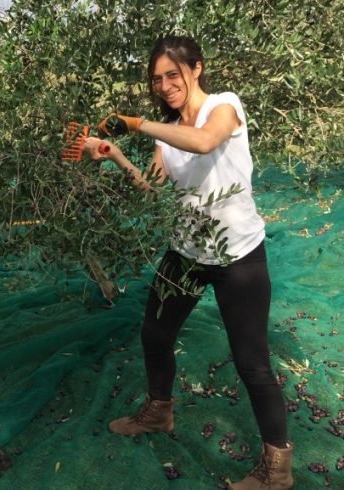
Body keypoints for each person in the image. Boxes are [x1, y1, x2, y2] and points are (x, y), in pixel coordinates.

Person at [84, 35, 292, 489]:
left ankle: (277, 469)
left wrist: (133, 124)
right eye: (156, 79)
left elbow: (204, 142)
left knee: (252, 363)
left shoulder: (224, 105)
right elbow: (154, 189)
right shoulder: (167, 133)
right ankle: (159, 412)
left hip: (237, 256)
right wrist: (114, 154)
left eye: (171, 75)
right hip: (187, 253)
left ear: (196, 68)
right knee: (154, 334)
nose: (164, 85)